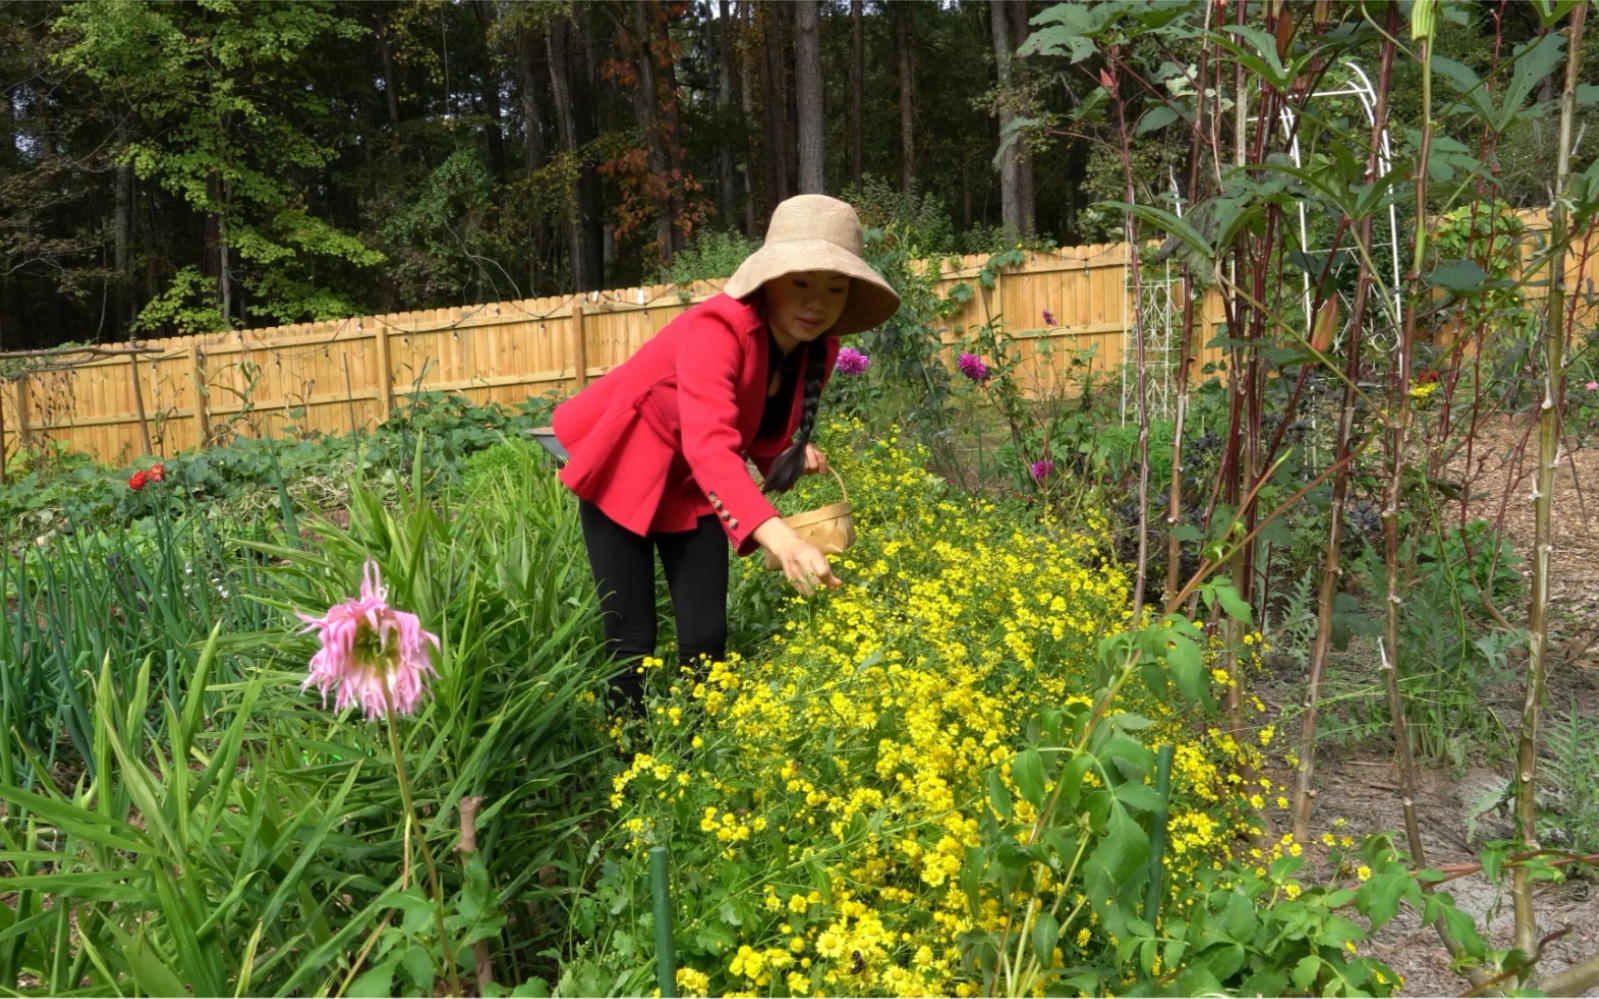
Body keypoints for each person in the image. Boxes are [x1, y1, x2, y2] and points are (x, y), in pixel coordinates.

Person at [551, 195, 900, 712]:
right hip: (627, 464)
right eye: (801, 282)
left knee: (707, 635)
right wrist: (781, 540)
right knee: (632, 639)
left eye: (835, 288)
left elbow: (755, 420)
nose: (817, 303)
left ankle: (694, 754)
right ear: (769, 280)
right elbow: (711, 443)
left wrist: (786, 452)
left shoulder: (817, 348)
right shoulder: (714, 327)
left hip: (697, 483)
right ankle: (627, 754)